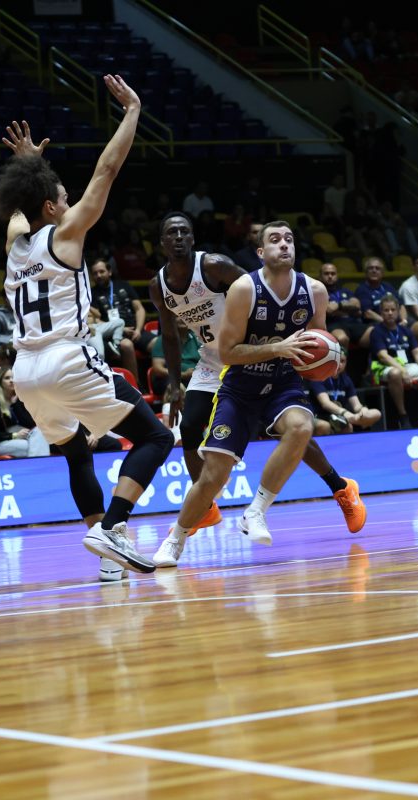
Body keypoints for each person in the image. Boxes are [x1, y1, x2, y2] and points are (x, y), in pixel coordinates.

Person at [0, 82, 174, 580]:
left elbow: (20, 209)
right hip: (66, 359)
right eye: (63, 198)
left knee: (76, 452)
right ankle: (112, 528)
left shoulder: (14, 246)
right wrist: (133, 110)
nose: (70, 201)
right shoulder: (67, 234)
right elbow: (106, 169)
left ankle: (108, 560)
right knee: (156, 437)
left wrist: (31, 168)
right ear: (53, 209)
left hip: (25, 372)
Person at [148, 214, 366, 567]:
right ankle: (189, 523)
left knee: (300, 428)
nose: (284, 244)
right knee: (206, 455)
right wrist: (174, 382)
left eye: (289, 238)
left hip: (275, 369)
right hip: (226, 362)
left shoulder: (225, 270)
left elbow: (311, 336)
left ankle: (281, 503)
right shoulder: (169, 285)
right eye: (275, 239)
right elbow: (185, 338)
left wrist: (326, 358)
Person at [369, 294, 418, 428]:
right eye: (386, 310)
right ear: (381, 312)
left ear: (398, 311)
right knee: (396, 373)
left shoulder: (405, 330)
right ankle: (403, 415)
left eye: (393, 310)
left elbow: (416, 351)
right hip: (383, 368)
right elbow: (383, 356)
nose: (390, 313)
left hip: (406, 366)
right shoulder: (377, 331)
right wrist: (402, 371)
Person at [89, 258, 155, 379]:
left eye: (101, 271)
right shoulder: (92, 293)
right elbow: (95, 319)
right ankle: (135, 385)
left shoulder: (124, 285)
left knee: (157, 343)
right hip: (113, 333)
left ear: (109, 272)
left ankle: (162, 380)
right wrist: (122, 329)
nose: (98, 275)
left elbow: (139, 309)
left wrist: (138, 330)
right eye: (95, 273)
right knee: (127, 345)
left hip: (135, 329)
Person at [0, 366, 50, 458]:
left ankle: (37, 465)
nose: (11, 380)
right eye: (7, 378)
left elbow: (31, 425)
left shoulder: (18, 401)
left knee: (39, 432)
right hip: (0, 443)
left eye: (13, 378)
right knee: (32, 446)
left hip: (22, 438)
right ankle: (41, 466)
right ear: (0, 382)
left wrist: (15, 404)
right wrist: (14, 435)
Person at [309, 358, 381, 435]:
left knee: (376, 413)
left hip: (339, 417)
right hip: (320, 416)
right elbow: (325, 403)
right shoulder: (318, 377)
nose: (339, 364)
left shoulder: (346, 379)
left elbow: (356, 405)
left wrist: (362, 410)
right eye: (336, 359)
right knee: (326, 426)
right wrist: (345, 413)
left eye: (342, 361)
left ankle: (357, 420)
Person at [318, 261, 371, 353]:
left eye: (333, 274)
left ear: (337, 276)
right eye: (326, 274)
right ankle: (343, 362)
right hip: (333, 324)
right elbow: (329, 310)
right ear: (320, 276)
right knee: (342, 338)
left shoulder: (345, 291)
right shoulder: (318, 293)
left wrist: (339, 305)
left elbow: (357, 306)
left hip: (353, 323)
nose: (330, 276)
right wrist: (348, 308)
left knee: (375, 332)